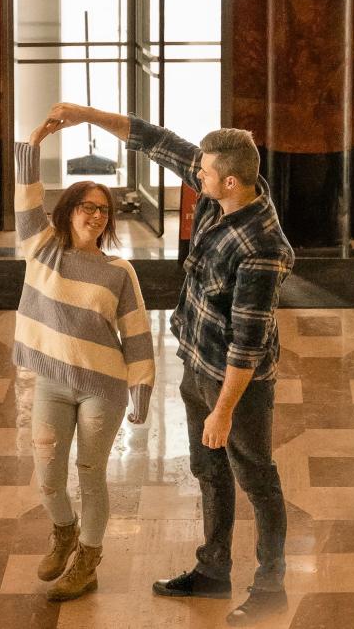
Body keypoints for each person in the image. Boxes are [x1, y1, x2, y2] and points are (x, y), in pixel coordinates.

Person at [41, 103, 294, 625]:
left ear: (228, 180)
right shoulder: (219, 189)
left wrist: (223, 412)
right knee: (208, 470)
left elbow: (247, 346)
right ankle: (213, 571)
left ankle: (270, 587)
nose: (194, 176)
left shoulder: (262, 247)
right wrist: (83, 115)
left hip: (236, 386)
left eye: (202, 173)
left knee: (257, 478)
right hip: (197, 363)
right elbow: (153, 139)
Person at [14, 117, 155, 602]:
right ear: (69, 209)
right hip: (53, 381)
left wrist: (141, 389)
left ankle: (88, 562)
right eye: (87, 207)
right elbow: (27, 200)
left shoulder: (119, 271)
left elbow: (136, 335)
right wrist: (33, 144)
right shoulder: (41, 248)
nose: (96, 216)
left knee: (91, 473)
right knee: (48, 474)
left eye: (104, 211)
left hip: (102, 386)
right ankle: (64, 532)